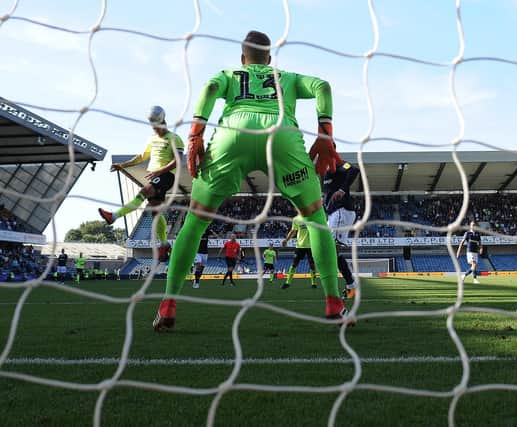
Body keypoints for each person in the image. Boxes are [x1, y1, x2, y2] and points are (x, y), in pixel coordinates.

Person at [153, 30, 349, 332]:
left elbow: (208, 87)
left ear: (243, 59)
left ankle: (167, 306)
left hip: (233, 135)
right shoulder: (288, 77)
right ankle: (334, 303)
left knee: (196, 220)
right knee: (315, 218)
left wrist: (195, 135)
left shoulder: (230, 74)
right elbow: (323, 86)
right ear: (269, 59)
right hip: (281, 134)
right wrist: (325, 133)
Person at [98, 106, 184, 262]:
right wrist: (123, 165)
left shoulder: (175, 138)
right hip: (155, 176)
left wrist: (159, 171)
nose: (155, 130)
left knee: (144, 191)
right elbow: (142, 156)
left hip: (165, 175)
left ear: (163, 122)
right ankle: (164, 245)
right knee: (155, 212)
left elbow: (177, 160)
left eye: (157, 127)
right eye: (153, 127)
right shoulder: (152, 138)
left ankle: (114, 216)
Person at [323, 153, 360, 299]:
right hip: (333, 214)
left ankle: (349, 287)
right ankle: (351, 286)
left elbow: (354, 170)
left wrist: (342, 190)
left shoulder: (338, 164)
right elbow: (328, 192)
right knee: (331, 252)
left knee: (332, 250)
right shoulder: (325, 170)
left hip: (341, 212)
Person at [281, 215, 318, 289]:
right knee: (294, 264)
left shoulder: (313, 217)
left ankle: (314, 283)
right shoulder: (296, 219)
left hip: (311, 245)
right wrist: (286, 240)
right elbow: (293, 231)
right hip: (300, 245)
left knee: (312, 264)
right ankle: (287, 282)